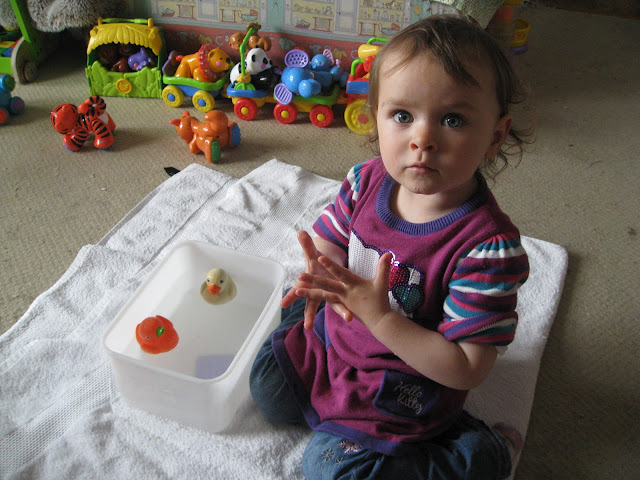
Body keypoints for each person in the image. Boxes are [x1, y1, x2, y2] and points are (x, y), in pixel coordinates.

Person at [250, 15, 531, 480]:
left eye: (453, 120)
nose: (423, 139)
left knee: (330, 470)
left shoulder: (486, 249)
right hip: (336, 342)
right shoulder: (365, 182)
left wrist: (379, 318)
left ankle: (483, 453)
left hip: (404, 380)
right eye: (402, 116)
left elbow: (466, 367)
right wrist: (323, 270)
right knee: (267, 388)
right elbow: (331, 240)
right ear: (375, 117)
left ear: (494, 137)